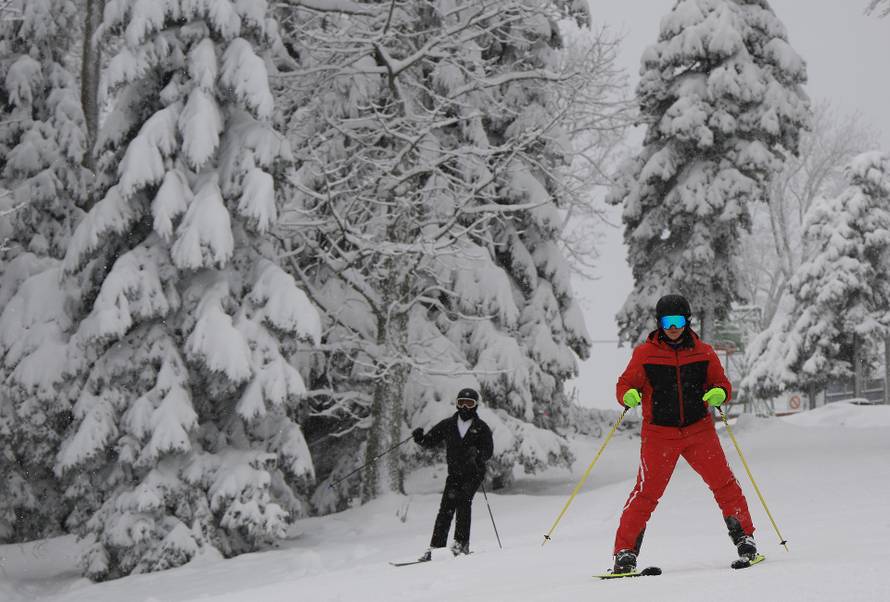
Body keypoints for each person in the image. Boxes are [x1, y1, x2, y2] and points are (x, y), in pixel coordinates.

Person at [610, 294, 756, 574]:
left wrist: (719, 393)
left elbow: (722, 384)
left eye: (678, 321)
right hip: (659, 435)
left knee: (724, 484)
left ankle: (745, 539)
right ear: (659, 323)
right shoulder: (645, 354)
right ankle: (625, 553)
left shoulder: (704, 353)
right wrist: (627, 395)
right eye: (668, 322)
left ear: (688, 321)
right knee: (646, 493)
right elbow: (625, 384)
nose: (673, 327)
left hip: (699, 430)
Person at [412, 387, 494, 560]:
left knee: (463, 502)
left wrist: (477, 454)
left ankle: (460, 544)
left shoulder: (481, 427)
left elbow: (488, 451)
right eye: (461, 403)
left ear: (475, 405)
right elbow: (430, 440)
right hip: (455, 473)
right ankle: (436, 547)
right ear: (457, 404)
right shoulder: (448, 424)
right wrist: (420, 438)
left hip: (473, 473)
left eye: (469, 403)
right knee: (446, 508)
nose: (465, 407)